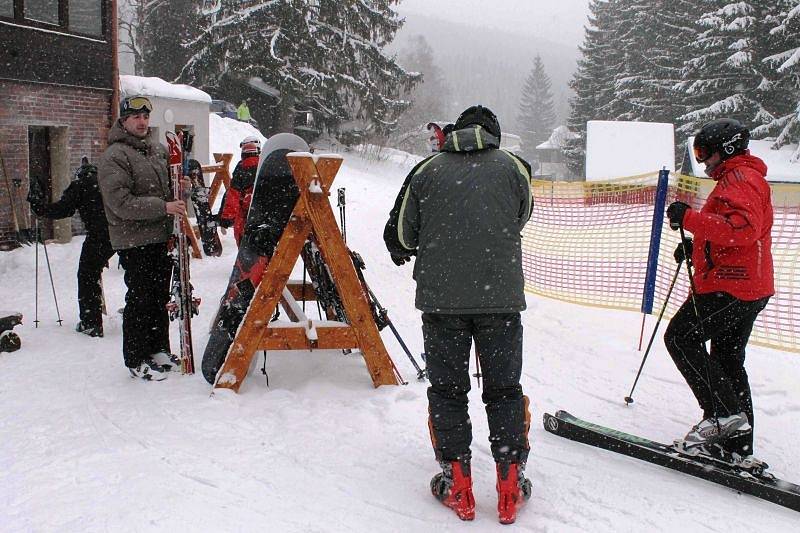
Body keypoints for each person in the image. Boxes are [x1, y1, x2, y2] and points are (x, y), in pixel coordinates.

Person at [384, 105, 534, 524]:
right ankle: (508, 481)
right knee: (504, 389)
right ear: (494, 133)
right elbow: (521, 216)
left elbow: (403, 235)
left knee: (448, 391)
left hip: (441, 303)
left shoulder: (427, 170)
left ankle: (457, 481)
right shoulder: (513, 168)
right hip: (500, 302)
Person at [664, 118, 773, 467]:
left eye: (704, 153)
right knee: (727, 361)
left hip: (732, 286)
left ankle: (723, 415)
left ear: (725, 150)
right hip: (746, 284)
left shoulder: (739, 180)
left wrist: (691, 220)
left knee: (680, 338)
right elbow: (733, 233)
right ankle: (738, 446)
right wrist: (697, 247)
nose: (702, 161)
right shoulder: (738, 178)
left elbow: (742, 230)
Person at [98, 95, 185, 381]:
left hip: (160, 236)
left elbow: (166, 189)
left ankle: (158, 348)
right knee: (140, 298)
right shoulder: (115, 156)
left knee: (159, 296)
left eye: (145, 116)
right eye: (136, 117)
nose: (142, 121)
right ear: (123, 120)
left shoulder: (156, 150)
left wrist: (179, 186)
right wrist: (163, 207)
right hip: (134, 240)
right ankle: (136, 356)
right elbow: (120, 202)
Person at [27, 159, 114, 337]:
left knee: (87, 275)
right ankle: (137, 316)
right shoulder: (110, 181)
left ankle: (91, 323)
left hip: (99, 235)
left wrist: (40, 208)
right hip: (124, 232)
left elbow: (63, 210)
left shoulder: (80, 185)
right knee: (135, 276)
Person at [218, 135, 261, 245]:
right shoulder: (265, 164)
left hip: (244, 212)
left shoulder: (241, 167)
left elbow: (234, 194)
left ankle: (244, 259)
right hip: (263, 211)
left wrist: (226, 218)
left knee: (242, 238)